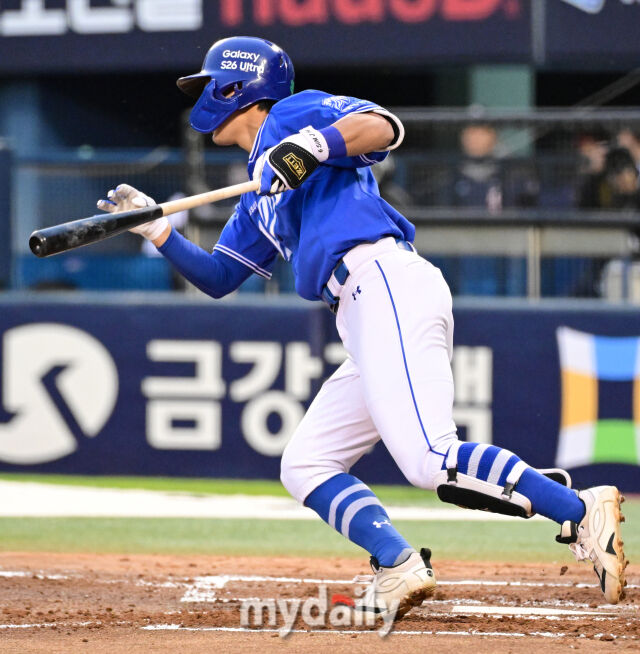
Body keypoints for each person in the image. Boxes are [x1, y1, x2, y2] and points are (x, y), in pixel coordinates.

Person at [98, 37, 627, 619]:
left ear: (238, 88)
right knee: (306, 463)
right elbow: (220, 276)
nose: (202, 96)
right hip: (360, 310)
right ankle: (398, 562)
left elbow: (382, 127)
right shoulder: (255, 194)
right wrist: (157, 230)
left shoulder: (290, 114)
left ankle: (578, 510)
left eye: (209, 84)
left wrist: (309, 146)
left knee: (429, 458)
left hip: (383, 280)